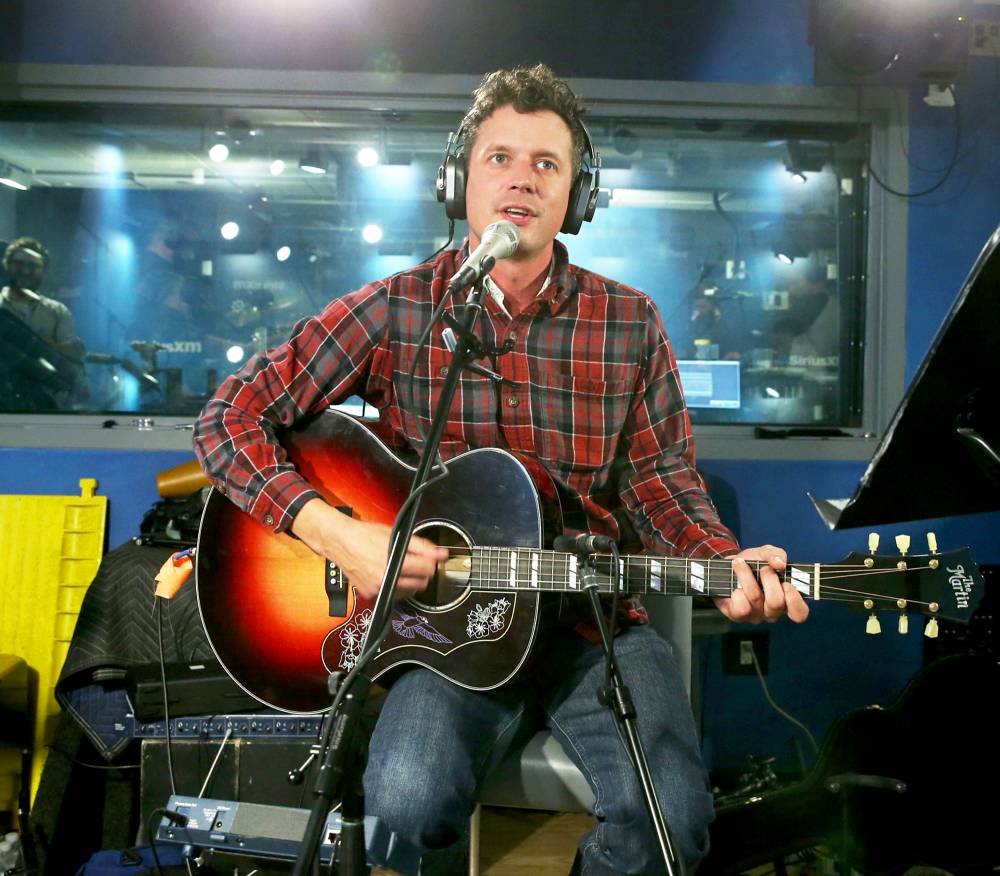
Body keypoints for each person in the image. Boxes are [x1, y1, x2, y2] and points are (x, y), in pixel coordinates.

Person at [193, 64, 809, 875]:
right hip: (449, 632)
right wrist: (336, 532)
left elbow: (662, 480)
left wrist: (720, 561)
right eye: (500, 158)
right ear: (460, 180)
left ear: (575, 197)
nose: (522, 178)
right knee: (407, 799)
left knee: (671, 826)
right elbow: (228, 417)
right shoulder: (399, 307)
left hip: (592, 627)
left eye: (547, 164)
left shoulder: (628, 321)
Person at [0, 236, 87, 408]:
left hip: (44, 408)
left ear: (44, 271)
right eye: (18, 263)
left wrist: (43, 343)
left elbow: (75, 354)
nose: (25, 271)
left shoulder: (57, 311)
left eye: (33, 266)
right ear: (6, 265)